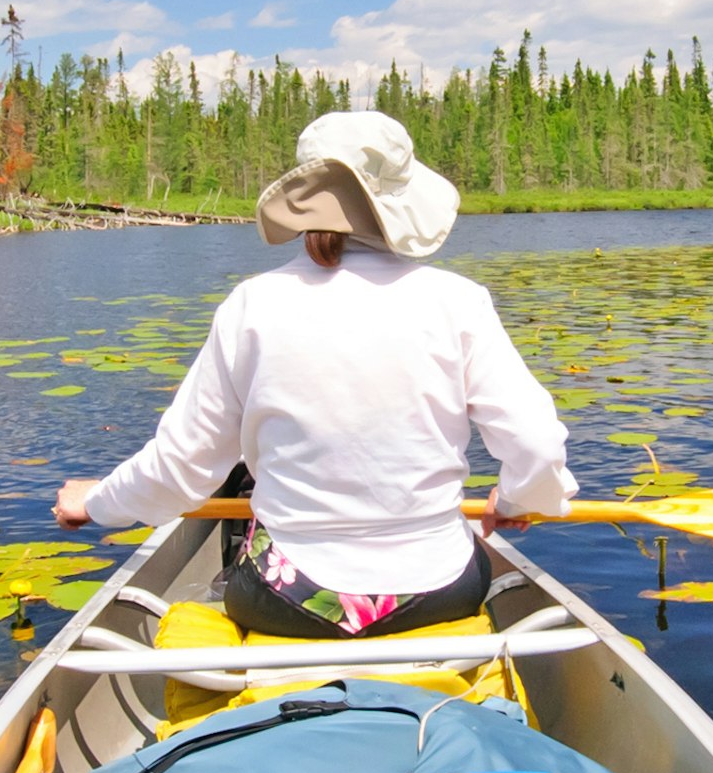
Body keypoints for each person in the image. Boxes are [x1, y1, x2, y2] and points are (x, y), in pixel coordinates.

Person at [54, 110, 573, 638]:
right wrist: (514, 501)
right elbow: (535, 444)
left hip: (293, 596)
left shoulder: (251, 305)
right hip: (438, 591)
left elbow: (181, 470)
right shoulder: (459, 301)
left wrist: (95, 502)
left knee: (246, 527)